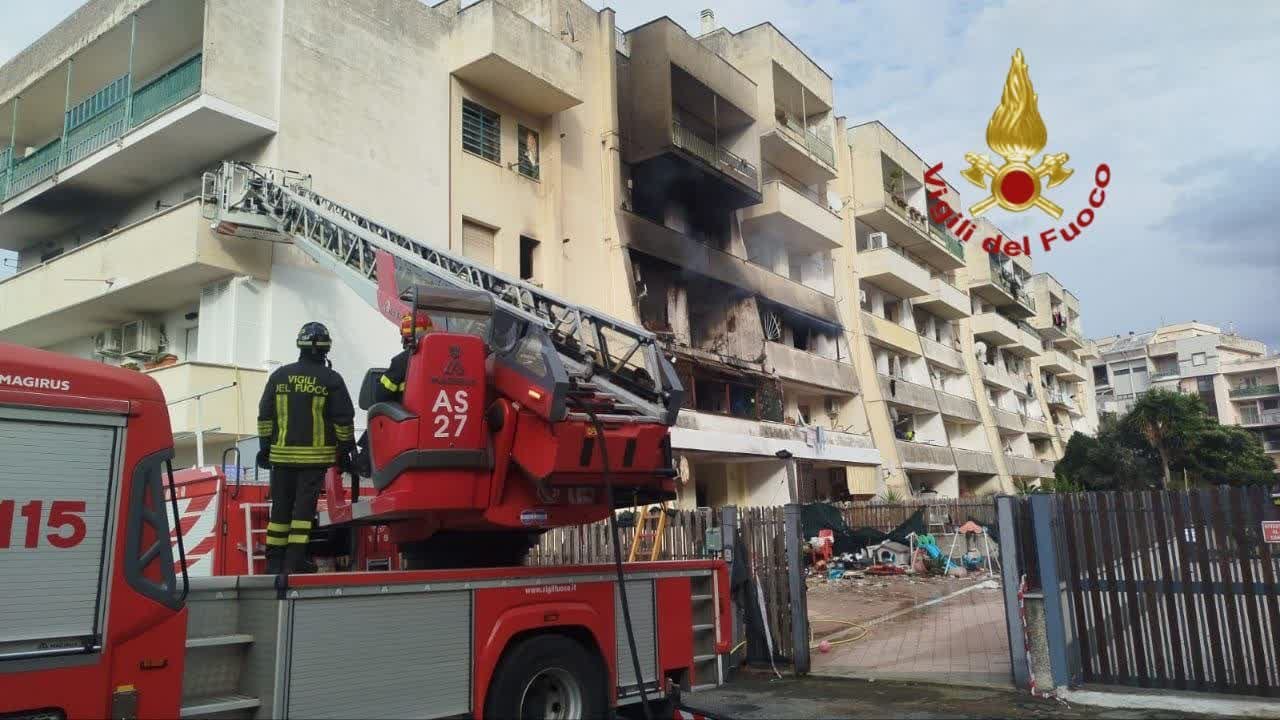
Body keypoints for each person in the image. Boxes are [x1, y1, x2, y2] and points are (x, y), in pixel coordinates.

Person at [256, 322, 356, 573]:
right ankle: (295, 561)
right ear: (326, 349)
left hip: (281, 459)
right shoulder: (331, 379)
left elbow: (265, 416)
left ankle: (274, 562)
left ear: (299, 345)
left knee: (280, 511)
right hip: (313, 461)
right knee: (302, 513)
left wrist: (264, 448)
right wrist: (346, 452)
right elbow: (343, 420)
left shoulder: (279, 376)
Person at [354, 311, 433, 477]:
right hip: (439, 426)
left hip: (408, 425)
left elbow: (381, 396)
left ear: (405, 337)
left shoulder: (401, 361)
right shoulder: (446, 360)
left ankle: (364, 465)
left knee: (377, 421)